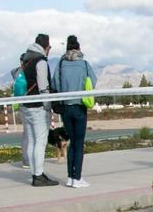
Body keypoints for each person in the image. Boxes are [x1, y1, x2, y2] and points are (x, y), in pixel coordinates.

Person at [50, 34, 98, 187]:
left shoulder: (60, 64)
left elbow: (55, 84)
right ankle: (77, 178)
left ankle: (70, 177)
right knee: (78, 143)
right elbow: (93, 81)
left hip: (65, 108)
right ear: (78, 48)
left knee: (71, 142)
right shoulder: (84, 64)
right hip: (79, 107)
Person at [18, 34, 58, 185]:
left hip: (26, 106)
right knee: (40, 142)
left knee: (32, 141)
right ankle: (38, 175)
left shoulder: (26, 59)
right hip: (38, 107)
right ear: (47, 47)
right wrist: (48, 106)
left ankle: (35, 173)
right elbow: (43, 86)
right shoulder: (40, 61)